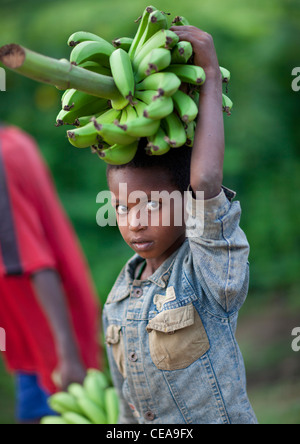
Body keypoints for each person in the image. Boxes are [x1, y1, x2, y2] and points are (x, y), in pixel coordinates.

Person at [102, 26, 258, 424]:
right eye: (121, 208)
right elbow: (128, 406)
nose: (134, 222)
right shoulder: (117, 300)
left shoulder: (206, 273)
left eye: (152, 205)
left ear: (186, 203)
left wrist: (208, 72)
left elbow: (204, 181)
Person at [0, 125, 102, 424]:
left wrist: (65, 355)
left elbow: (34, 260)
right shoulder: (16, 139)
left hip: (48, 347)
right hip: (40, 338)